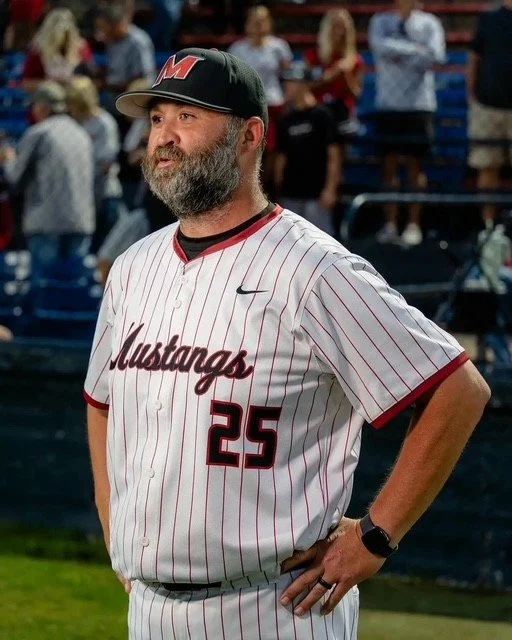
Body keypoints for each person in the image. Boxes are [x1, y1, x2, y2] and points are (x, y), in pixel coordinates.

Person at [84, 47, 490, 639]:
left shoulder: (313, 268)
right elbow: (102, 403)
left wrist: (376, 536)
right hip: (149, 610)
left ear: (249, 135)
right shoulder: (132, 269)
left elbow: (458, 388)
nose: (164, 138)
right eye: (156, 118)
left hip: (275, 607)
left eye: (187, 117)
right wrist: (115, 526)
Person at [369, 0, 446, 246]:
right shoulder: (380, 21)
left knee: (416, 168)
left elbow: (436, 55)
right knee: (389, 168)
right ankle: (390, 224)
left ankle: (414, 225)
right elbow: (379, 48)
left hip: (419, 106)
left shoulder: (430, 23)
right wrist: (416, 50)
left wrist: (398, 54)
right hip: (388, 105)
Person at [1, 81, 94, 281]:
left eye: (34, 105)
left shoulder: (39, 132)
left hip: (46, 225)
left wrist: (8, 159)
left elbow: (15, 179)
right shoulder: (82, 134)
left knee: (44, 296)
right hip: (80, 223)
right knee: (73, 296)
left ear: (43, 106)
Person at [228, 4, 292, 191]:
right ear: (247, 24)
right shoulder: (237, 48)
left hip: (273, 102)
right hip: (246, 106)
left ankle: (266, 186)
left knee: (271, 148)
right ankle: (247, 186)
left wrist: (288, 100)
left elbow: (287, 76)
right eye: (254, 21)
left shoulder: (279, 47)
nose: (257, 26)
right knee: (248, 147)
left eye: (262, 21)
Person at [275, 61, 340, 236]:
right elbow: (281, 158)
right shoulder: (286, 120)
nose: (286, 86)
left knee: (323, 246)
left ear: (304, 85)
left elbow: (334, 156)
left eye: (291, 82)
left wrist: (331, 189)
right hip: (291, 194)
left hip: (317, 194)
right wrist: (278, 189)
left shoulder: (323, 116)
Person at [66, 75, 124, 253]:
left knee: (104, 252)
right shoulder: (72, 123)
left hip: (105, 194)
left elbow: (106, 162)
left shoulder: (103, 122)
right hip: (81, 197)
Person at [468, 0, 512, 227]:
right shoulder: (489, 18)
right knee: (487, 168)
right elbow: (475, 59)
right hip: (487, 105)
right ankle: (488, 227)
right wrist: (472, 97)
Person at [304, 8, 364, 164]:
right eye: (336, 26)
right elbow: (305, 89)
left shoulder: (354, 60)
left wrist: (346, 75)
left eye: (344, 27)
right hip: (317, 112)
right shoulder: (312, 56)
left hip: (342, 114)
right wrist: (331, 75)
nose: (340, 31)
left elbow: (357, 95)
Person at [94, 3, 156, 114]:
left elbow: (141, 79)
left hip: (134, 95)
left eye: (105, 28)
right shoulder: (112, 41)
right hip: (112, 91)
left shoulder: (138, 41)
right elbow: (112, 69)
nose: (103, 33)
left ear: (117, 25)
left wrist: (106, 85)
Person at [22, 8, 95, 90]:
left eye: (66, 33)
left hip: (75, 95)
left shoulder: (82, 47)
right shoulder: (37, 50)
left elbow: (90, 81)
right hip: (47, 96)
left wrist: (72, 82)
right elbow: (27, 83)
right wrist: (51, 83)